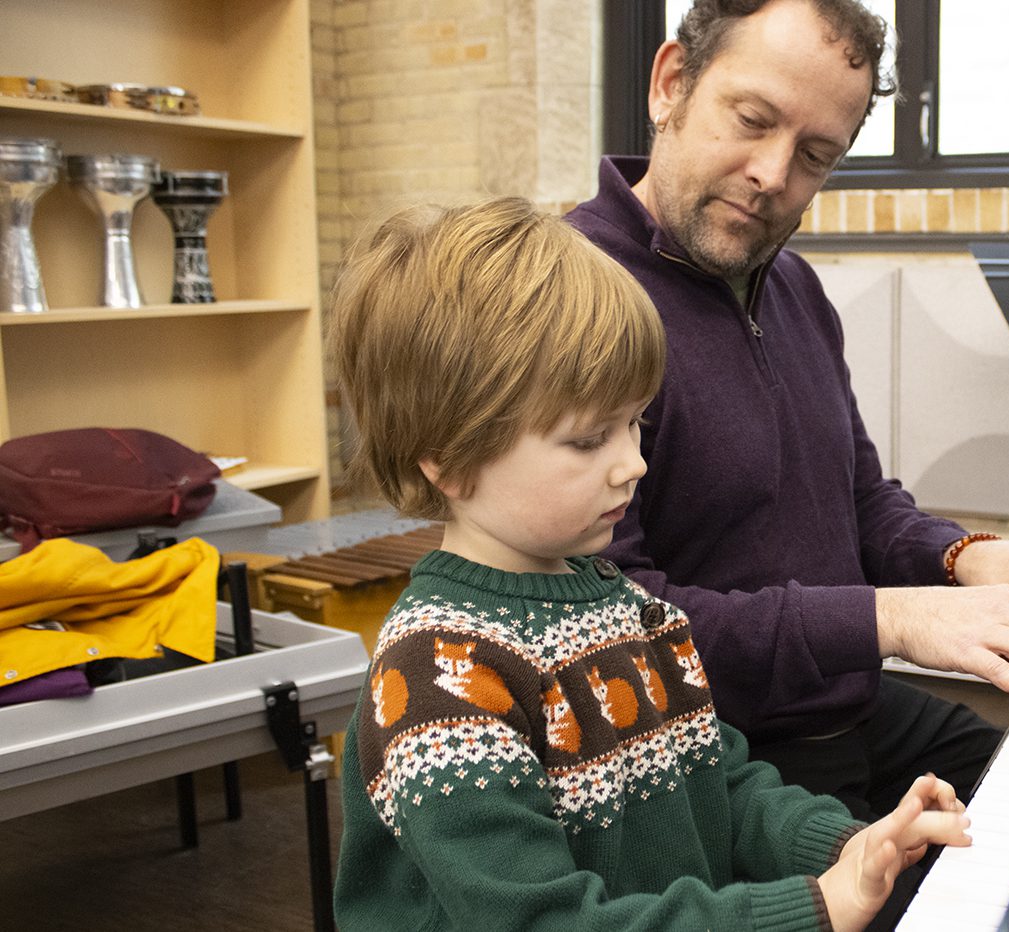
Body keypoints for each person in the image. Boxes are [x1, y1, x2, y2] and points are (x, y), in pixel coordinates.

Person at [328, 197, 970, 931]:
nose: (632, 463)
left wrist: (852, 847)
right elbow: (547, 922)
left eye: (634, 422)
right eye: (586, 440)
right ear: (447, 457)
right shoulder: (439, 679)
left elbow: (719, 782)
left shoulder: (626, 606)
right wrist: (811, 906)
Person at [566, 0, 1009, 821]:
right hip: (719, 757)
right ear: (670, 83)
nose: (772, 175)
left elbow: (859, 501)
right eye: (752, 120)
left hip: (847, 706)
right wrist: (891, 620)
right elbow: (613, 624)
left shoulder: (791, 286)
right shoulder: (571, 300)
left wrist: (966, 557)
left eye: (815, 156)